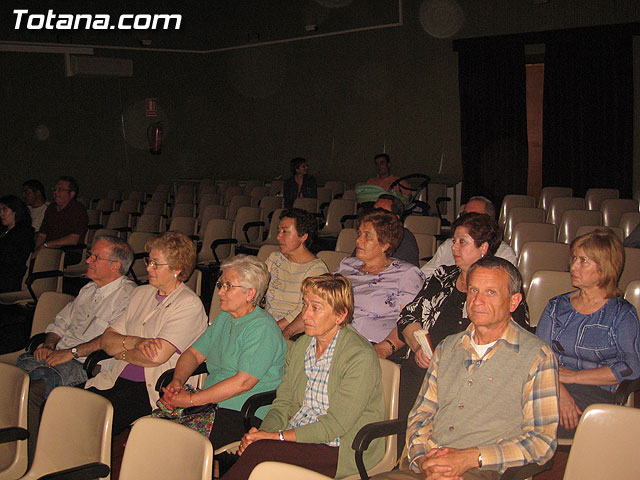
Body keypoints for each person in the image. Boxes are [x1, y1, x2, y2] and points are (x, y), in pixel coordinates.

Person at [372, 257, 559, 480]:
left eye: (491, 292)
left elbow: (542, 441)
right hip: (428, 465)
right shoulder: (447, 347)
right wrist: (423, 459)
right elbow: (420, 416)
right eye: (473, 290)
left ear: (513, 301)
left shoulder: (536, 356)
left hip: (484, 469)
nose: (478, 300)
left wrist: (470, 458)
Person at [223, 274, 385, 480]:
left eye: (315, 307)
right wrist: (261, 434)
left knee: (261, 455)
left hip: (342, 445)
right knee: (257, 451)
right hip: (299, 434)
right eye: (305, 305)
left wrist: (275, 438)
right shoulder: (302, 347)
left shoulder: (359, 356)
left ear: (340, 315)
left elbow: (335, 426)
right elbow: (284, 403)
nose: (305, 315)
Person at [381, 212, 531, 429]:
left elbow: (516, 335)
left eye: (463, 242)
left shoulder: (501, 284)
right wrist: (418, 348)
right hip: (422, 367)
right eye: (454, 241)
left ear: (484, 248)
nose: (454, 248)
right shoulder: (444, 276)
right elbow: (409, 316)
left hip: (469, 376)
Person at [16, 235, 136, 464]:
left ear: (115, 265)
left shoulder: (129, 296)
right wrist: (49, 344)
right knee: (13, 383)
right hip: (59, 356)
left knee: (32, 391)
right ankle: (12, 443)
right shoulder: (88, 290)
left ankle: (33, 461)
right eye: (90, 255)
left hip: (87, 365)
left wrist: (69, 353)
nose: (88, 260)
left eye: (95, 257)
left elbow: (108, 340)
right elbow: (61, 322)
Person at [160, 254, 287, 451]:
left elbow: (243, 383)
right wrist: (178, 381)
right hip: (211, 404)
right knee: (151, 431)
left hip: (243, 411)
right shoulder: (225, 318)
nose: (220, 292)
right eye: (221, 284)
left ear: (250, 293)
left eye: (228, 286)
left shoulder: (262, 328)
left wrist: (191, 400)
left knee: (175, 444)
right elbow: (193, 355)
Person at [85, 231, 207, 434]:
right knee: (60, 402)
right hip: (114, 378)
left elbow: (155, 357)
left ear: (177, 269)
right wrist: (137, 342)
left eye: (156, 264)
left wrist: (120, 351)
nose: (148, 268)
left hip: (149, 388)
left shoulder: (188, 304)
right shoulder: (141, 293)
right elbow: (107, 339)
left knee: (91, 422)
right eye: (149, 261)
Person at [537, 228, 640, 438]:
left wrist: (575, 377)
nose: (573, 266)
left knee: (526, 419)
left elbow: (632, 367)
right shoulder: (557, 306)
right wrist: (560, 390)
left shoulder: (621, 314)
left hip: (597, 392)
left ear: (605, 268)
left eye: (583, 261)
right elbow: (537, 354)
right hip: (549, 385)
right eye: (574, 258)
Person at [334, 209, 424, 346]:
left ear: (385, 245)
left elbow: (410, 321)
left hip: (371, 345)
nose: (358, 240)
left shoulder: (406, 274)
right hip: (332, 337)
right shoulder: (347, 265)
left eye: (367, 236)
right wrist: (289, 331)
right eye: (359, 234)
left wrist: (386, 347)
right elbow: (320, 300)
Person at [263, 208, 328, 339]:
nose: (278, 236)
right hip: (266, 323)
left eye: (285, 231)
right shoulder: (274, 258)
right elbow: (257, 289)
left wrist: (272, 328)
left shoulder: (316, 270)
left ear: (303, 236)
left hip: (294, 330)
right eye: (278, 231)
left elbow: (303, 310)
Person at [420, 196, 517, 278]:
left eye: (473, 216)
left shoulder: (503, 253)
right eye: (464, 214)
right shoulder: (449, 245)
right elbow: (423, 275)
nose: (466, 219)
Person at [353, 194, 419, 267]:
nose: (374, 215)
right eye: (374, 210)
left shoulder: (405, 238)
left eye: (381, 213)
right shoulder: (365, 235)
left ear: (395, 218)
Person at [36, 176, 89, 265]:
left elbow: (73, 239)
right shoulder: (51, 208)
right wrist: (36, 250)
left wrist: (46, 246)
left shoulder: (77, 210)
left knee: (43, 261)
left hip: (69, 251)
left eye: (60, 190)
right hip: (49, 250)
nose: (56, 193)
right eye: (55, 189)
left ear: (71, 194)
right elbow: (42, 235)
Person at [0, 195, 34, 292]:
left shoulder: (22, 233)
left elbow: (13, 260)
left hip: (10, 276)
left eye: (4, 210)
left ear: (15, 211)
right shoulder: (4, 230)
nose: (1, 214)